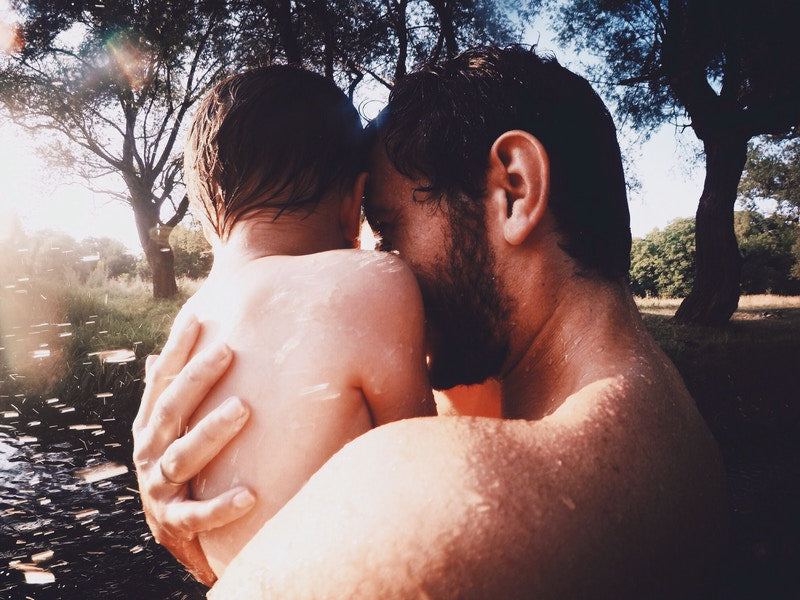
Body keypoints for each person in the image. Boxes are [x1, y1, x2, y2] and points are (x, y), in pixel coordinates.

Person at [133, 45, 728, 597]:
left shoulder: (449, 499)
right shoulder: (662, 419)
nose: (371, 261)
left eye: (388, 229)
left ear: (514, 191)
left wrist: (187, 534)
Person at [141, 64, 435, 579]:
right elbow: (427, 476)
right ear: (353, 202)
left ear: (210, 213)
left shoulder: (188, 320)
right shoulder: (370, 283)